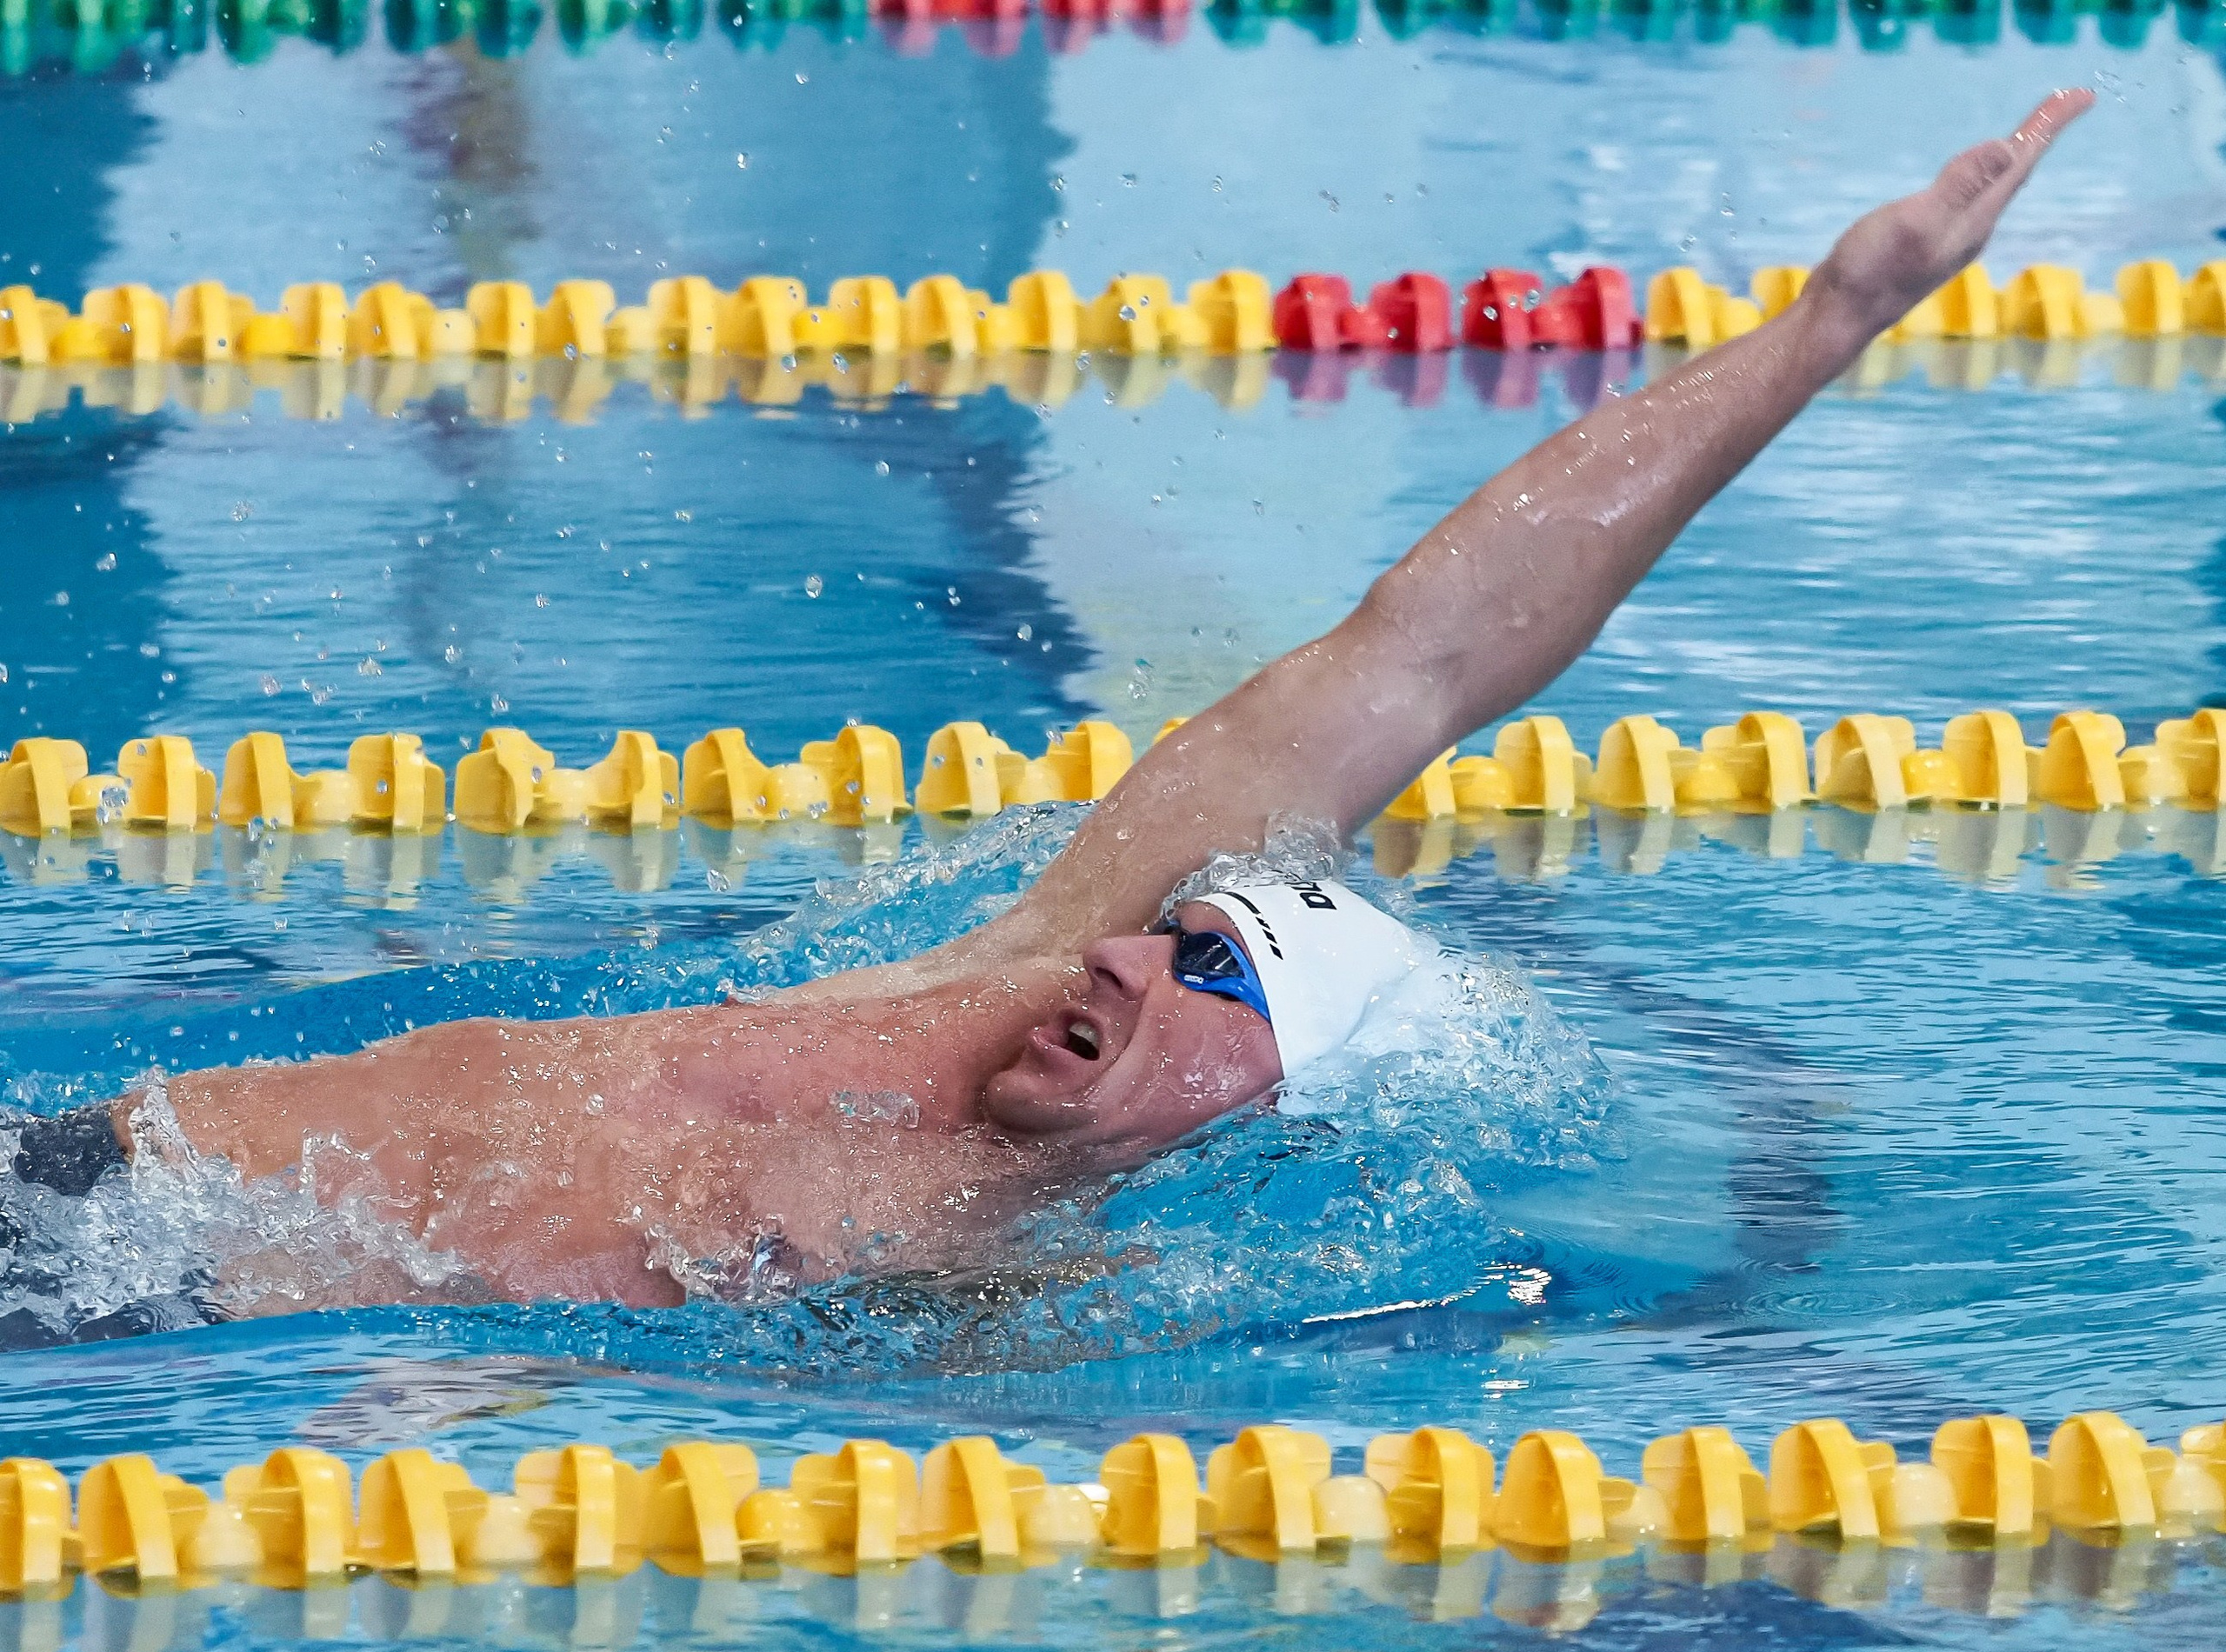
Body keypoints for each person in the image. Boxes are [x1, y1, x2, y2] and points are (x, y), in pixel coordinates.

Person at [8, 90, 2093, 1321]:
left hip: (153, 1332)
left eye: (1203, 968)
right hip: (86, 1181)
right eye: (1168, 924)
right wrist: (1827, 322)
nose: (1118, 950)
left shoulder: (1012, 1296)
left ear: (1268, 1099)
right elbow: (1425, 652)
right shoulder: (984, 979)